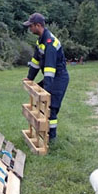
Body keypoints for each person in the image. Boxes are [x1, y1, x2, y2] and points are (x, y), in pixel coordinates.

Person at [23, 13, 69, 142]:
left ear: (38, 25)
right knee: (39, 102)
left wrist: (47, 91)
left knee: (51, 107)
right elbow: (35, 61)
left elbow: (49, 70)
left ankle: (51, 139)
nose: (29, 29)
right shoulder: (41, 41)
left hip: (58, 78)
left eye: (31, 26)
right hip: (52, 77)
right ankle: (42, 132)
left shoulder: (50, 43)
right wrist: (30, 78)